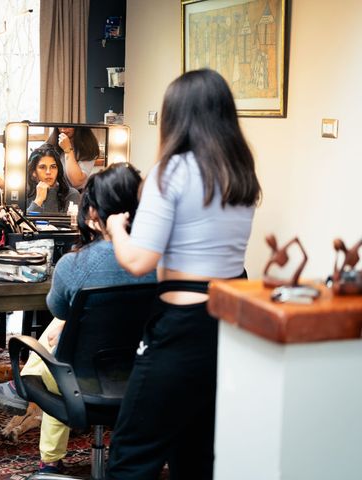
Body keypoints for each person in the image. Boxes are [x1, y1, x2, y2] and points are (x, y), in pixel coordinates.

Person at [104, 69, 262, 479]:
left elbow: (139, 261)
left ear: (178, 116)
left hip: (181, 328)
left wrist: (117, 230)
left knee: (132, 453)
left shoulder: (170, 172)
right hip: (230, 326)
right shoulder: (240, 174)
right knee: (197, 452)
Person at [0, 163, 157, 474]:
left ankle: (49, 460)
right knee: (62, 342)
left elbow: (57, 310)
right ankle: (21, 395)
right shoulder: (158, 261)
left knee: (59, 351)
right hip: (141, 375)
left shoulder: (74, 265)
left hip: (80, 380)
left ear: (93, 212)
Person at [26, 144, 80, 214]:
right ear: (33, 172)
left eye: (53, 167)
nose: (48, 172)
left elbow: (71, 224)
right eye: (42, 167)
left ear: (58, 170)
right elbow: (20, 223)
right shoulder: (25, 194)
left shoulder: (71, 194)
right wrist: (38, 200)